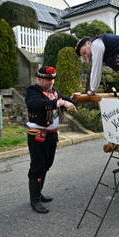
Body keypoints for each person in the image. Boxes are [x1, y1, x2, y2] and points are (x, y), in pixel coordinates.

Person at [25, 66, 76, 214]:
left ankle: (38, 193)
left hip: (52, 134)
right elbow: (35, 104)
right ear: (39, 79)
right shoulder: (32, 91)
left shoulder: (54, 91)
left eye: (52, 79)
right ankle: (34, 200)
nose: (51, 82)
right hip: (37, 134)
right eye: (48, 79)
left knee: (47, 164)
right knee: (37, 167)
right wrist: (58, 103)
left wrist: (74, 98)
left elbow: (64, 99)